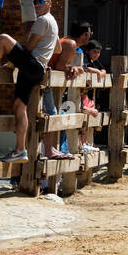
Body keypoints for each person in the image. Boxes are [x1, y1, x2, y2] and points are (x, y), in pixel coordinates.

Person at [0, 0, 59, 165]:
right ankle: (20, 150)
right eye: (34, 1)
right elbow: (57, 49)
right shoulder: (53, 22)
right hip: (36, 70)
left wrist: (13, 63)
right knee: (19, 106)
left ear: (49, 4)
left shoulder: (42, 20)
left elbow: (28, 47)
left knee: (3, 39)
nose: (36, 4)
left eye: (40, 1)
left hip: (33, 65)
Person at [41, 20, 92, 161]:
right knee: (51, 114)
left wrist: (72, 67)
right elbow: (59, 66)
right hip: (45, 81)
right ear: (84, 35)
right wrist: (75, 69)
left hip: (46, 81)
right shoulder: (70, 44)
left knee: (54, 114)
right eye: (89, 33)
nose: (91, 35)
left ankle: (50, 149)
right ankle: (49, 150)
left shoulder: (69, 43)